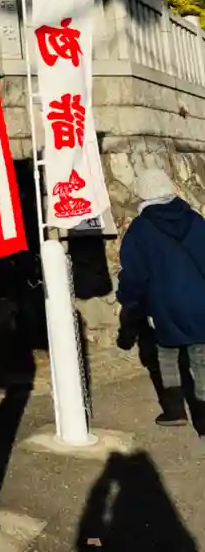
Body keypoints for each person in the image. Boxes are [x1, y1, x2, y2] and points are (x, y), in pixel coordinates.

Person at [116, 167, 205, 435]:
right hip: (199, 301)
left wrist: (129, 300)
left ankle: (175, 411)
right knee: (201, 357)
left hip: (163, 305)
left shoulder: (140, 229)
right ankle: (203, 418)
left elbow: (134, 274)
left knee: (166, 355)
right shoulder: (195, 220)